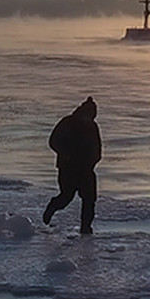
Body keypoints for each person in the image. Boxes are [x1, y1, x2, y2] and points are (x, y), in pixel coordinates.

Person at [43, 97, 101, 234]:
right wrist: (65, 154)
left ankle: (86, 228)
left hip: (87, 169)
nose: (90, 118)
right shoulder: (67, 122)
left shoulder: (93, 126)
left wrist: (95, 159)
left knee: (90, 199)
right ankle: (52, 207)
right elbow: (53, 141)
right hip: (68, 168)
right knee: (66, 197)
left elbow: (98, 146)